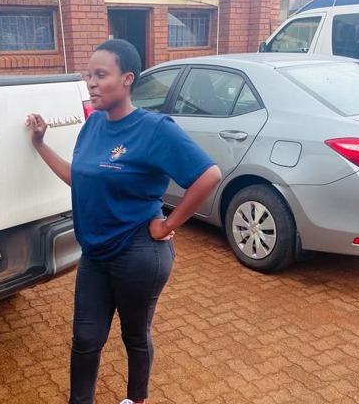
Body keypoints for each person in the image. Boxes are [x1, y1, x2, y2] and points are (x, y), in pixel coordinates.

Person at [25, 38, 222, 404]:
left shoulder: (155, 128)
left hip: (138, 251)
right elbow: (79, 178)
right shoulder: (93, 124)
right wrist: (40, 145)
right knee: (85, 339)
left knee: (134, 335)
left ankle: (136, 399)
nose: (91, 83)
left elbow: (208, 175)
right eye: (89, 75)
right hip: (95, 252)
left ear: (127, 79)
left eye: (101, 75)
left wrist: (167, 224)